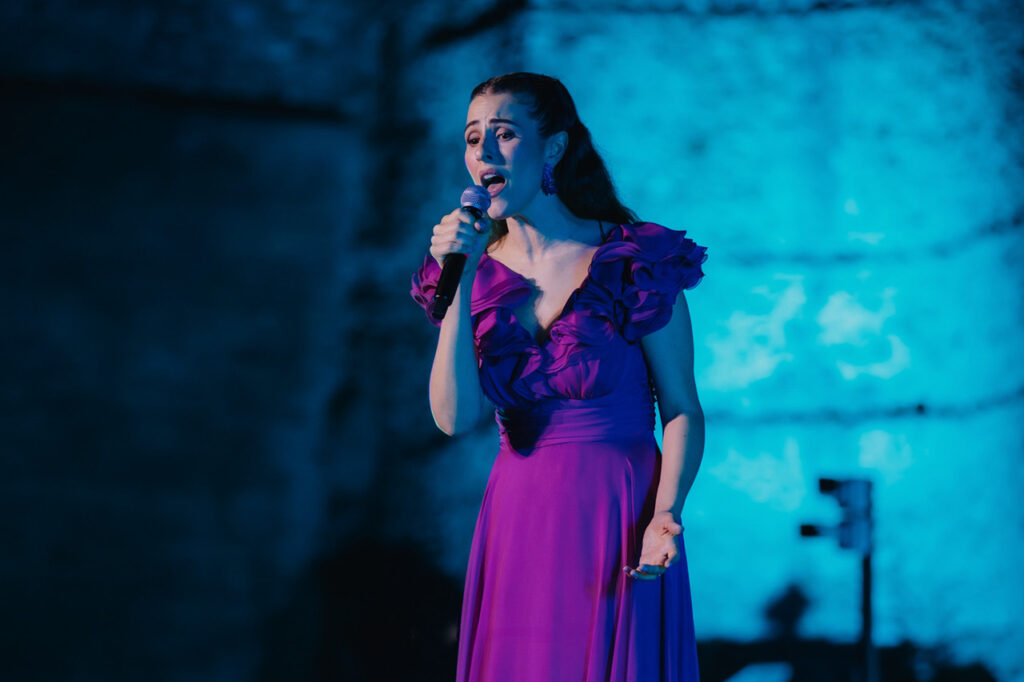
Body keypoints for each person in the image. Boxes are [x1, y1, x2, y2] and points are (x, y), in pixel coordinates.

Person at [410, 72, 707, 682]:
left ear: (553, 146)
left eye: (504, 133)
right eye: (472, 138)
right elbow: (454, 419)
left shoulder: (634, 261)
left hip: (620, 510)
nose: (484, 152)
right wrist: (460, 278)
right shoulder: (472, 274)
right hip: (519, 514)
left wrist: (666, 513)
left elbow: (681, 408)